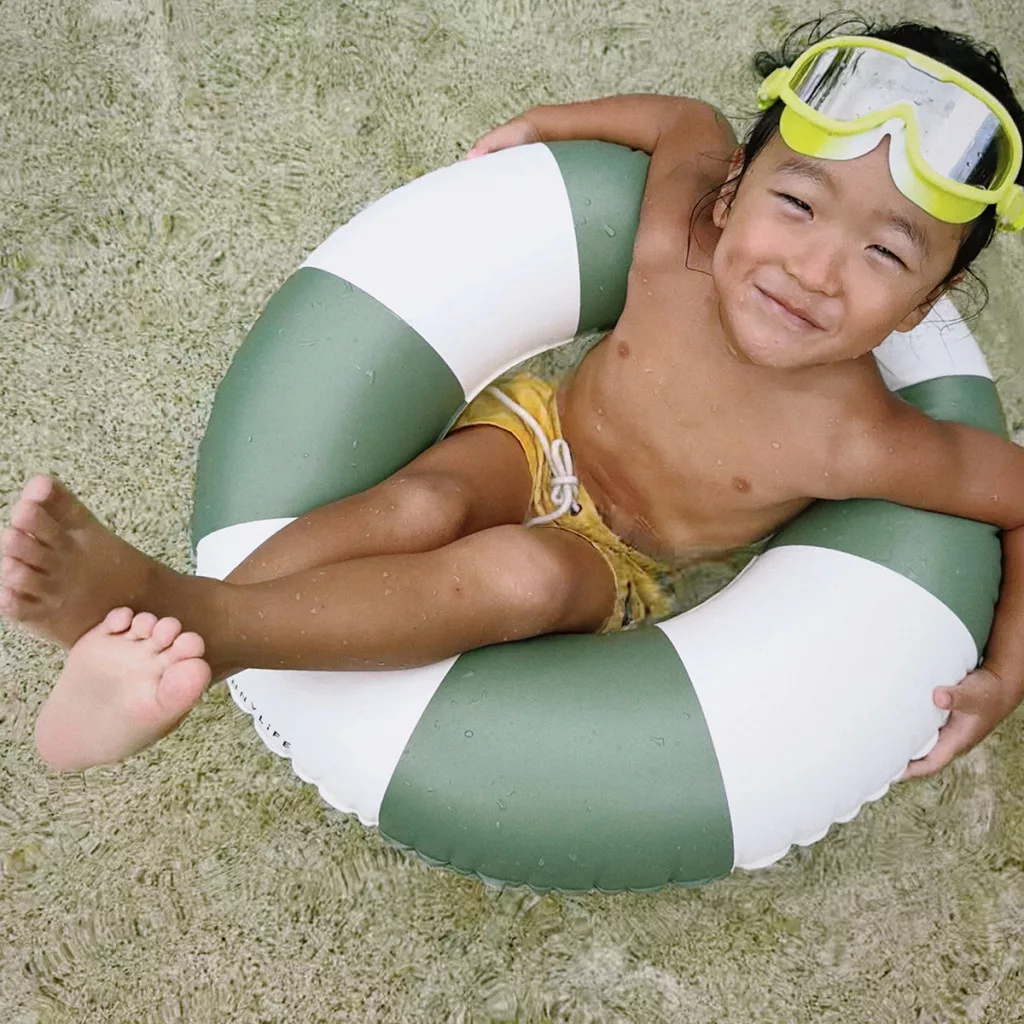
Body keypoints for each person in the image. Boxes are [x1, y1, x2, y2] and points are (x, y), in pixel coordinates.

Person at [2, 18, 1024, 778]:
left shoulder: (860, 439)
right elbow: (688, 122)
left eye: (884, 253)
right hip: (538, 437)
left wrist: (1005, 677)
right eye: (796, 202)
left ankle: (173, 624)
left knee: (523, 575)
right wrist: (548, 126)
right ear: (731, 193)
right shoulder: (674, 244)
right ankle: (177, 629)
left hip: (622, 563)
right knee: (420, 504)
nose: (813, 268)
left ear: (918, 307)